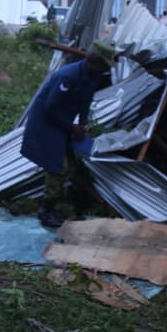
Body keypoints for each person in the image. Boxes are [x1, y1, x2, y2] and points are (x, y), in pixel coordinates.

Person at [20, 40, 117, 228]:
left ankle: (58, 202)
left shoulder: (93, 75)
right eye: (104, 63)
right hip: (46, 124)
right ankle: (46, 211)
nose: (105, 68)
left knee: (70, 166)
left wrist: (83, 124)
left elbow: (86, 101)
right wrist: (71, 127)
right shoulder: (67, 76)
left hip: (63, 123)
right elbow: (49, 107)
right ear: (93, 60)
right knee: (58, 167)